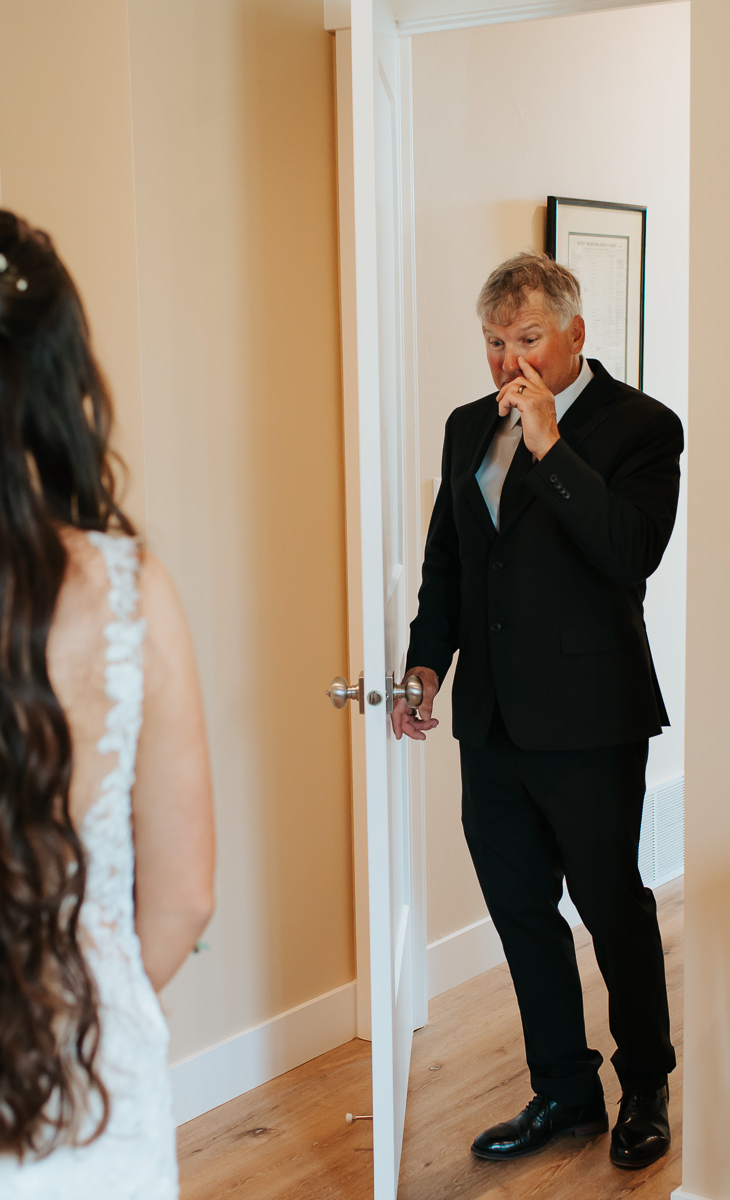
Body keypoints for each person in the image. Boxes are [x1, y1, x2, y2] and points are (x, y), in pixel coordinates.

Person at [0, 200, 215, 1197]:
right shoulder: (126, 591)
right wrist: (89, 1006)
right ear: (55, 384)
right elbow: (182, 899)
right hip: (80, 1090)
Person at [392, 252, 681, 1171]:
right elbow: (448, 561)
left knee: (611, 908)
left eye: (526, 339)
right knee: (521, 911)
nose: (507, 360)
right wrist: (427, 663)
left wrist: (552, 446)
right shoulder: (465, 426)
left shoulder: (642, 426)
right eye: (492, 342)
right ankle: (563, 1090)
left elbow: (629, 552)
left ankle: (645, 1086)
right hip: (492, 722)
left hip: (592, 719)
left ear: (575, 334)